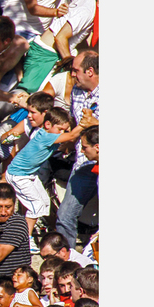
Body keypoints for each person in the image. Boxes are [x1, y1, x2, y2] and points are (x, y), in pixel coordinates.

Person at [5, 108, 89, 246]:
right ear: (48, 125)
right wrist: (83, 124)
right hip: (18, 175)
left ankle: (30, 230)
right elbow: (71, 136)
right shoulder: (45, 136)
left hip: (29, 174)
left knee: (44, 202)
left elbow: (66, 140)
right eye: (60, 129)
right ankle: (25, 241)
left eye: (65, 130)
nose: (62, 133)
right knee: (36, 206)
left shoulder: (51, 136)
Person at [56, 50, 99, 249]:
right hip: (83, 163)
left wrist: (96, 123)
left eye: (75, 70)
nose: (71, 75)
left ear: (90, 71)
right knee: (65, 214)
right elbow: (76, 120)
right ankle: (67, 262)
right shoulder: (77, 90)